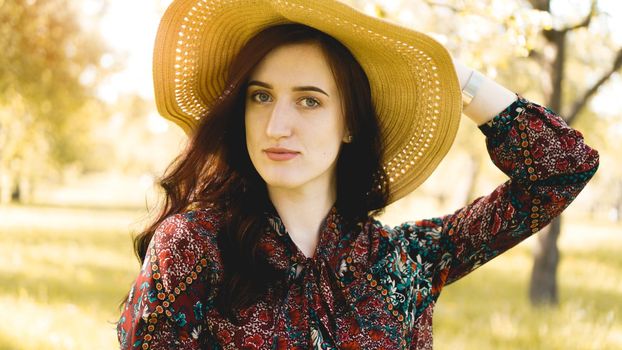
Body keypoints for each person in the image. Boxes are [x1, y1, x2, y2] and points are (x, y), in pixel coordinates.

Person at [116, 0, 599, 349]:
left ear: (349, 123)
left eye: (309, 100)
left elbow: (561, 169)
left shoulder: (404, 261)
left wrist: (457, 78)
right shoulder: (194, 246)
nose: (276, 126)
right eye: (260, 96)